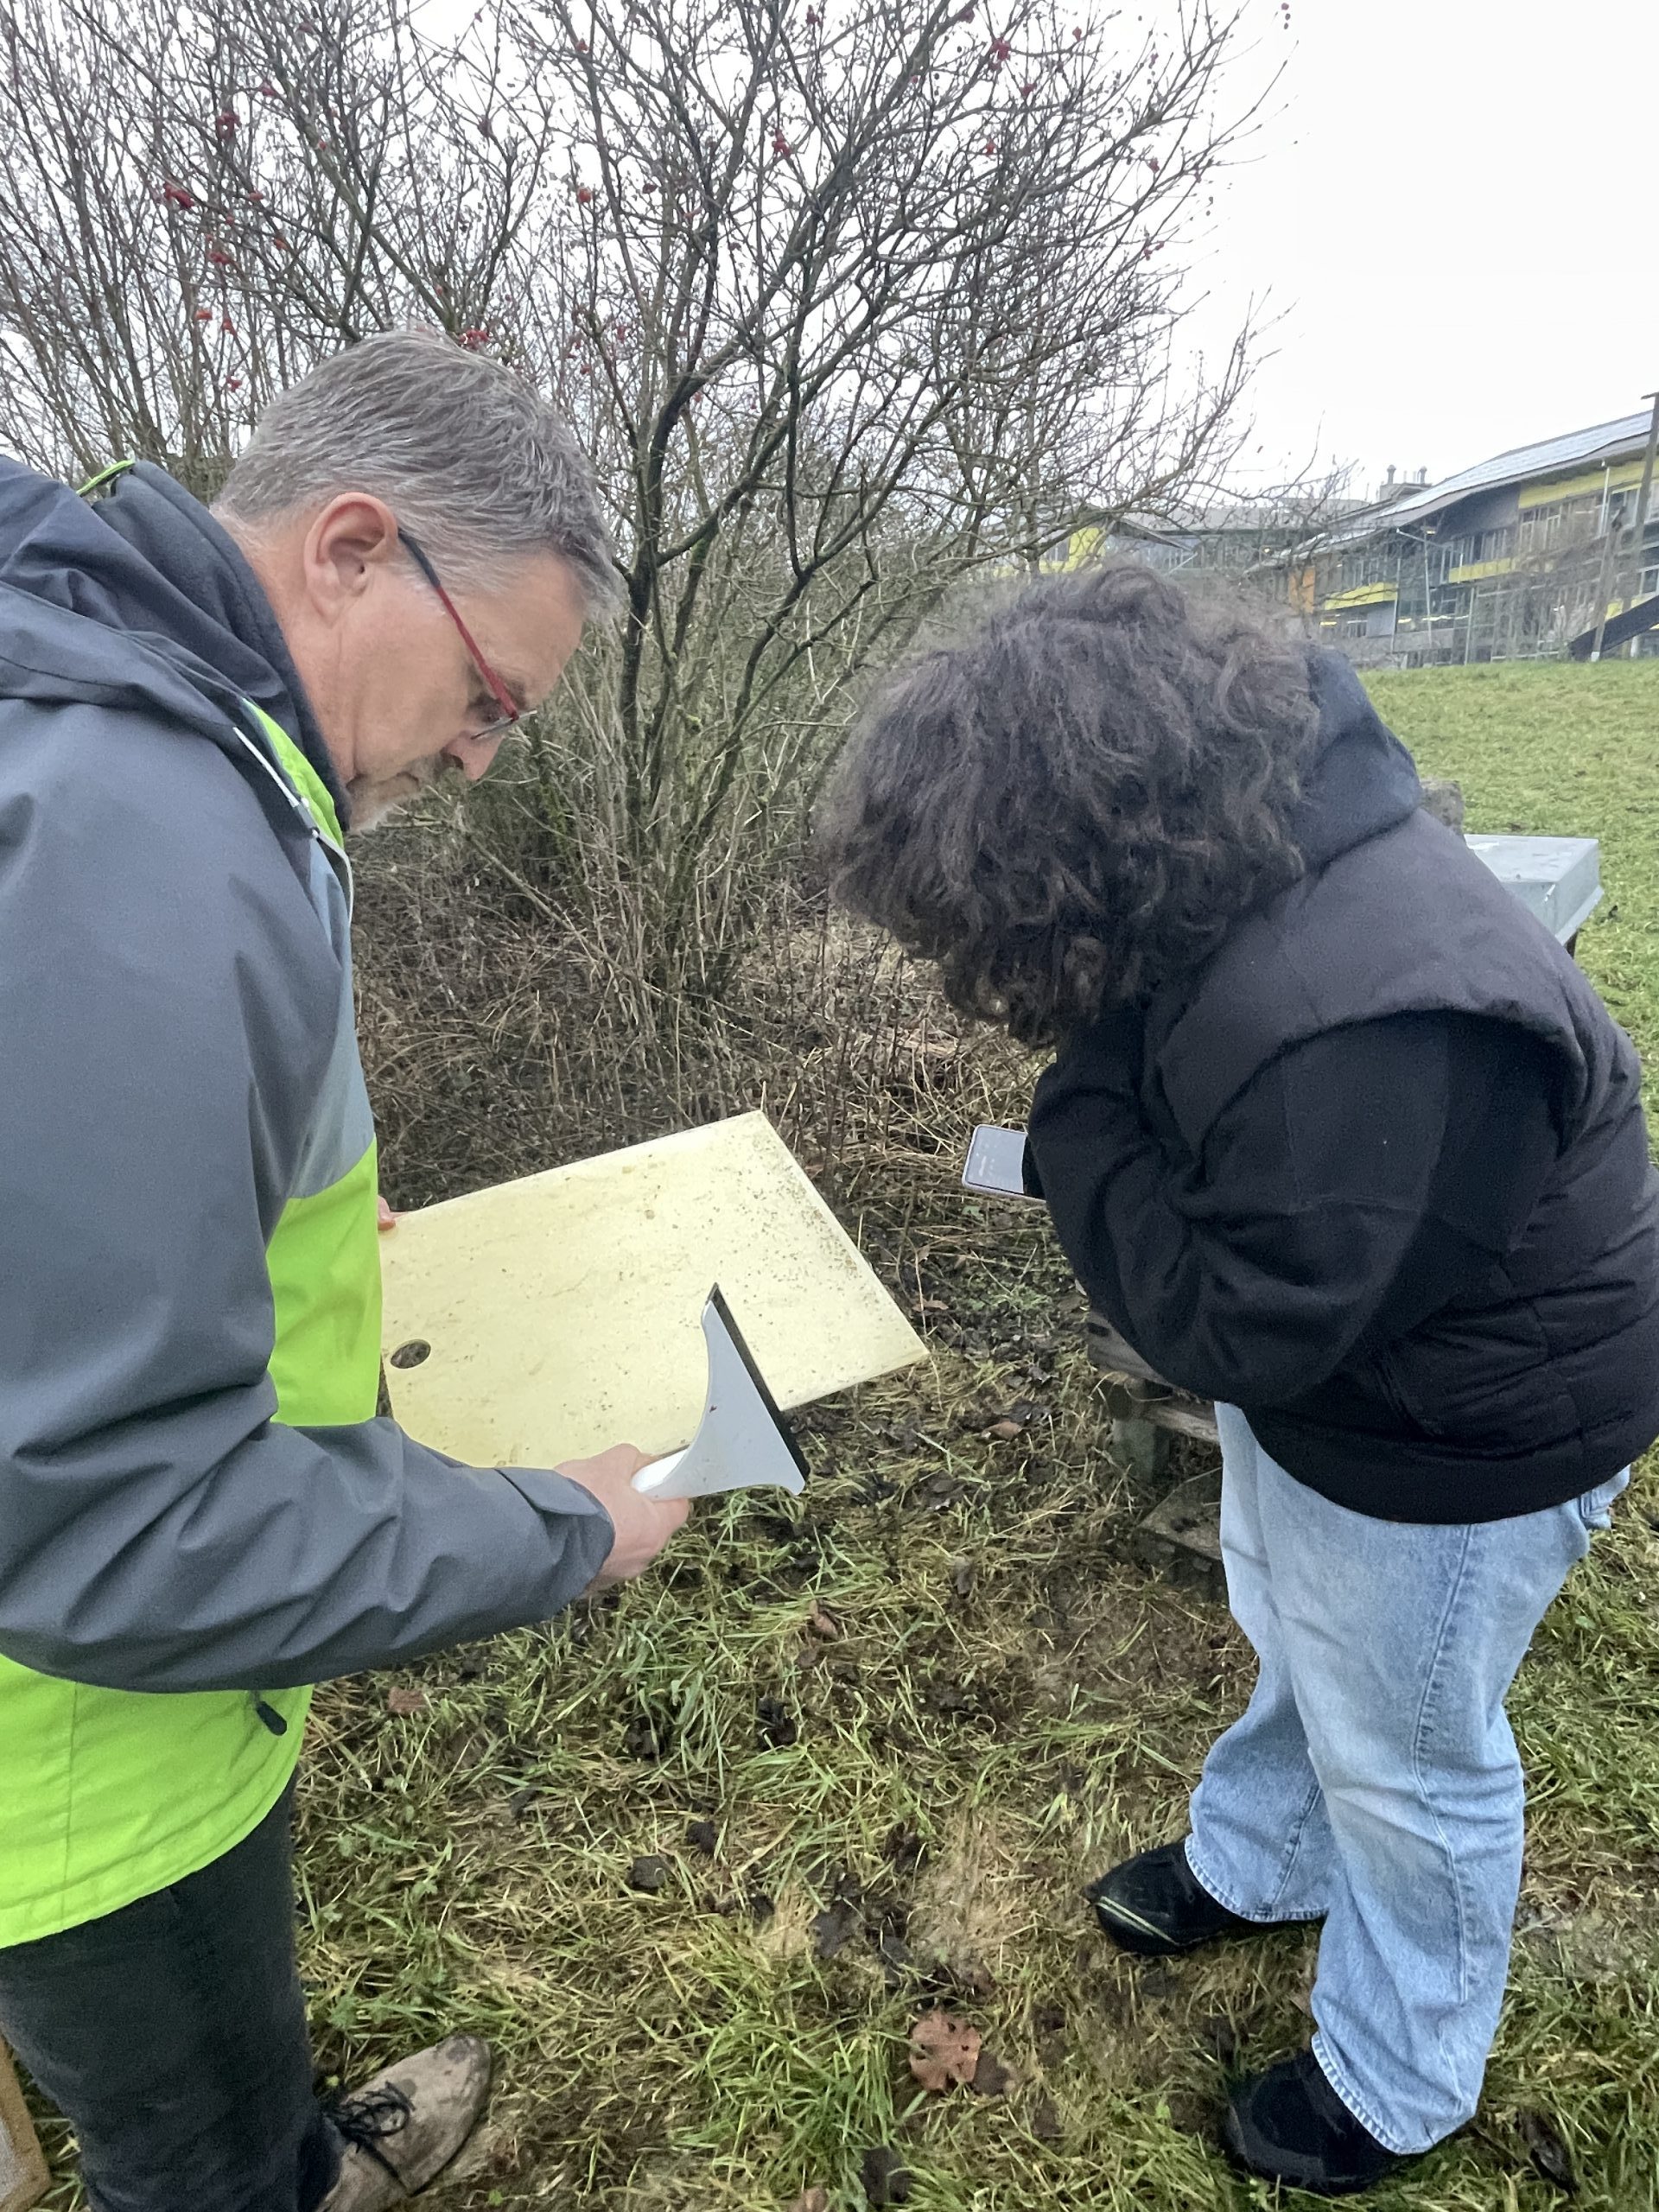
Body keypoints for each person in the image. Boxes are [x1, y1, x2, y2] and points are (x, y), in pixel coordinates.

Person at [819, 563, 1659, 2197]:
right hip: (1361, 1375)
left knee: (1412, 1754)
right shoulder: (1250, 865)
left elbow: (1226, 1322)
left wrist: (1075, 1126)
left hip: (1459, 1438)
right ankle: (1265, 1861)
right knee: (1302, 1627)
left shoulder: (1373, 1024)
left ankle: (1400, 2071)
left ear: (1076, 848)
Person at [0, 327, 690, 2212]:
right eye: (492, 695)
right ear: (354, 547)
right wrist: (558, 1525)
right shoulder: (150, 834)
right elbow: (111, 1531)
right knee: (195, 2156)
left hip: (112, 1707)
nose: (480, 752)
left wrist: (261, 1220)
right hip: (80, 1760)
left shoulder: (107, 723)